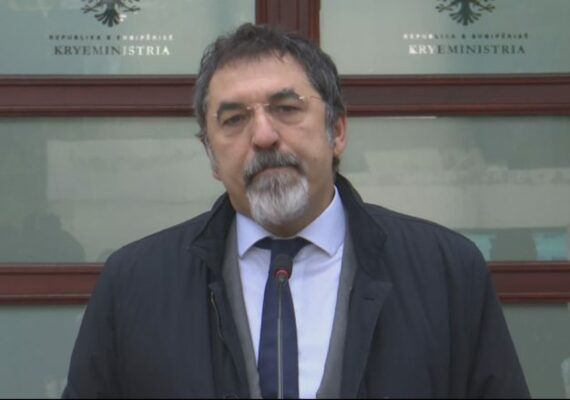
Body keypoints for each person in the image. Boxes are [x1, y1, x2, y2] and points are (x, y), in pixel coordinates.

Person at [63, 23, 529, 398]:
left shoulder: (446, 272)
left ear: (337, 131)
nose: (264, 136)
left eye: (286, 108)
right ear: (211, 156)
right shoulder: (134, 285)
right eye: (234, 119)